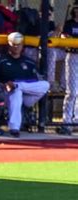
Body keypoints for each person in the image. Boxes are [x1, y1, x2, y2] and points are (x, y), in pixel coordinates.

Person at [0, 32, 50, 137]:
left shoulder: (29, 62)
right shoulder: (1, 60)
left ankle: (17, 85)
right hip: (6, 94)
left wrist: (19, 85)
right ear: (9, 44)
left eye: (19, 44)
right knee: (16, 93)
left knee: (45, 84)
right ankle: (14, 128)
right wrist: (3, 85)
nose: (16, 47)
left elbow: (36, 81)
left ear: (22, 46)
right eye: (14, 44)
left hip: (28, 95)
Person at [57, 3, 78, 135]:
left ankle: (76, 121)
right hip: (73, 56)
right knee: (72, 92)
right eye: (76, 8)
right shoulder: (69, 23)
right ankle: (67, 122)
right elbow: (65, 37)